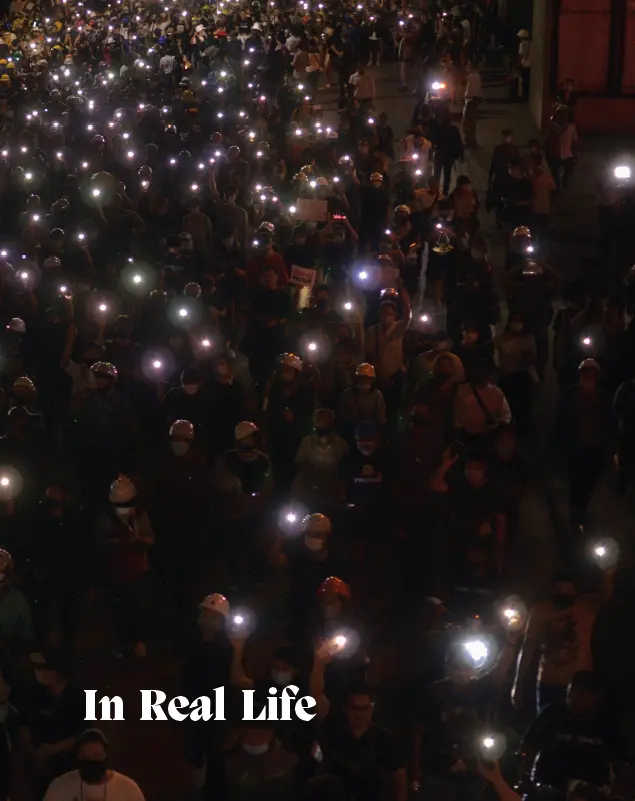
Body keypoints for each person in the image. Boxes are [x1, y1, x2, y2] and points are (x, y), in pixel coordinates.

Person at [512, 568, 614, 712]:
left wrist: (607, 568)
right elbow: (528, 648)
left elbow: (607, 594)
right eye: (559, 590)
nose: (562, 594)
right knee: (548, 720)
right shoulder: (540, 611)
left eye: (566, 591)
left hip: (581, 686)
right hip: (549, 682)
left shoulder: (587, 606)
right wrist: (518, 684)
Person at [319, 684, 407, 801]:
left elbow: (399, 778)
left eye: (364, 708)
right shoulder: (331, 735)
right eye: (354, 708)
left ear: (372, 708)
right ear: (344, 708)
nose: (359, 714)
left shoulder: (385, 738)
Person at [43, 728, 145, 801]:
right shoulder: (59, 786)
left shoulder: (128, 789)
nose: (91, 761)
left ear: (106, 756)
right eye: (85, 757)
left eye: (96, 756)